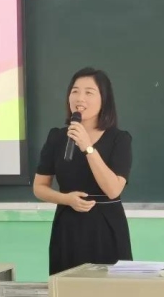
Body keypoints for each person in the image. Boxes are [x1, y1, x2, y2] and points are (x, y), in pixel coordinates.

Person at [33, 67, 133, 275]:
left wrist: (88, 147)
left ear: (104, 99)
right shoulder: (57, 137)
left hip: (106, 226)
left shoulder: (119, 139)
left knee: (108, 287)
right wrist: (66, 199)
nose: (80, 98)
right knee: (66, 285)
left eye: (89, 92)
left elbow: (113, 190)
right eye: (75, 91)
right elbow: (39, 187)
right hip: (68, 225)